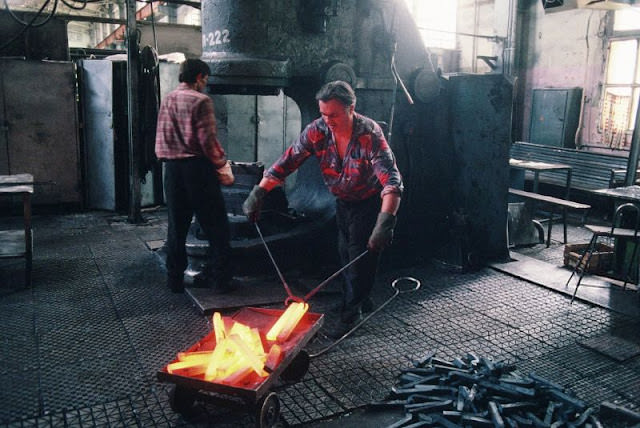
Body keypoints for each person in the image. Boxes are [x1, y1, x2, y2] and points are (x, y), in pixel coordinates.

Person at [242, 80, 403, 338]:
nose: (328, 120)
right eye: (323, 114)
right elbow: (288, 161)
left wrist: (385, 222)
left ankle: (351, 315)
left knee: (359, 258)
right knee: (344, 254)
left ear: (351, 108)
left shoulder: (368, 134)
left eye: (335, 115)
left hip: (369, 202)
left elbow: (392, 181)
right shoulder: (318, 130)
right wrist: (259, 192)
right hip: (342, 202)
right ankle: (360, 297)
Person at [155, 58, 235, 294]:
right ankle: (221, 281)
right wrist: (222, 165)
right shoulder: (201, 100)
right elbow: (207, 141)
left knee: (177, 228)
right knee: (217, 227)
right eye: (205, 79)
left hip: (172, 170)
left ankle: (175, 281)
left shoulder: (168, 99)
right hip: (197, 170)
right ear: (199, 77)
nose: (205, 84)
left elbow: (161, 136)